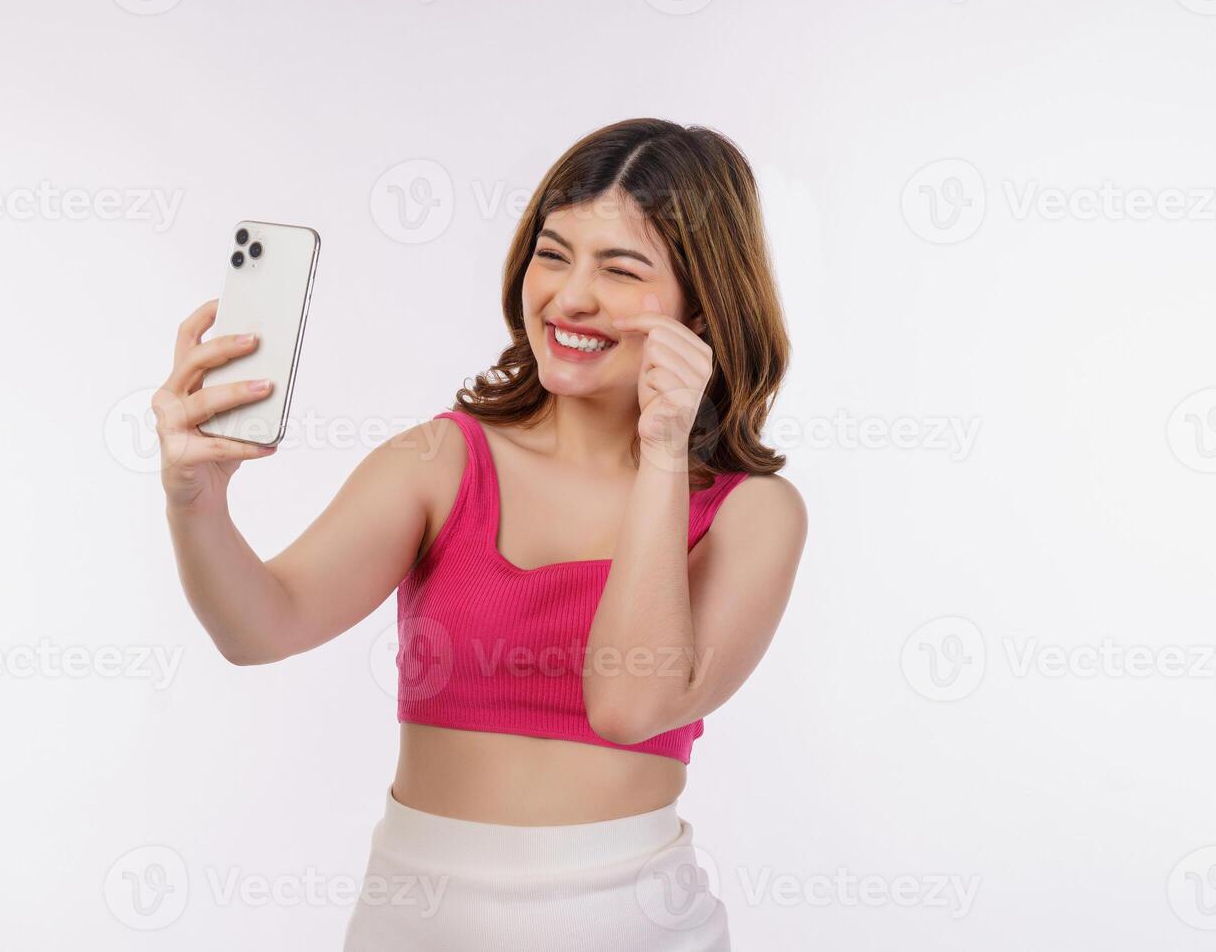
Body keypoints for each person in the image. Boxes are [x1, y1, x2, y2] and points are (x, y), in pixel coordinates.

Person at [153, 118, 808, 950]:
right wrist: (195, 500)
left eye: (621, 267)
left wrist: (662, 454)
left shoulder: (752, 514)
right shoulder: (440, 460)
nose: (570, 296)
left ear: (704, 308)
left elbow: (627, 703)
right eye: (554, 252)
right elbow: (259, 627)